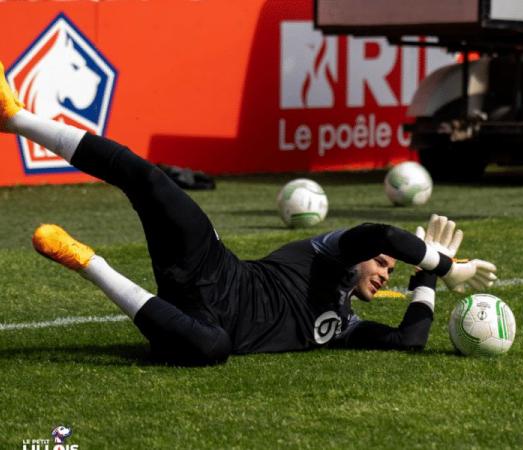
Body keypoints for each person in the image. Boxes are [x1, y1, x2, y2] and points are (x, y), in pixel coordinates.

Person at [0, 62, 497, 365]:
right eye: (384, 262)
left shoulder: (343, 324)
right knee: (151, 181)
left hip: (200, 320)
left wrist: (425, 280)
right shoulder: (328, 252)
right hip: (211, 264)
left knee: (212, 351)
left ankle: (88, 263)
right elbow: (382, 231)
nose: (386, 269)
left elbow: (408, 341)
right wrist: (448, 267)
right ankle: (15, 116)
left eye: (392, 268)